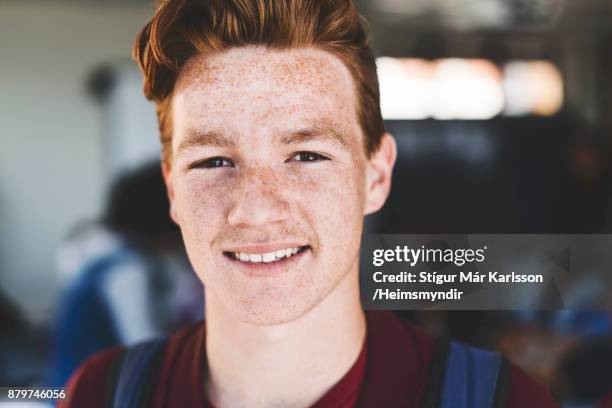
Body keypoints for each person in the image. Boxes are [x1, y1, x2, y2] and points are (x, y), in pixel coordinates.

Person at [61, 1, 559, 406]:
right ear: (173, 190)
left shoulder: (504, 401)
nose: (254, 210)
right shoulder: (101, 395)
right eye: (213, 161)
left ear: (376, 175)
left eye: (305, 154)